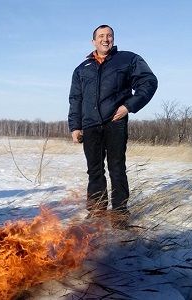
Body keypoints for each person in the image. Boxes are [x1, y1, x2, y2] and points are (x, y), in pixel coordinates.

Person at [68, 25, 158, 224]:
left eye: (109, 35)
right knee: (94, 170)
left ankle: (119, 214)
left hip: (114, 122)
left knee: (116, 168)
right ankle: (97, 213)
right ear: (94, 41)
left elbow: (149, 82)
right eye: (101, 36)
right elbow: (76, 99)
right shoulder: (82, 69)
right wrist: (75, 126)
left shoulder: (127, 59)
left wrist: (128, 106)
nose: (105, 39)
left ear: (113, 39)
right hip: (90, 125)